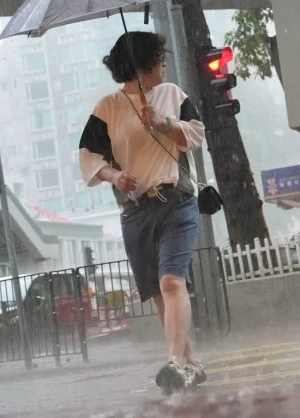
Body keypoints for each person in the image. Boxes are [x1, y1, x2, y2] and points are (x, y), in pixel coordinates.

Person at [78, 31, 207, 392]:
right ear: (142, 64)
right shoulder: (108, 108)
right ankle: (191, 364)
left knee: (171, 281)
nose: (164, 64)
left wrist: (165, 123)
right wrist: (114, 175)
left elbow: (196, 134)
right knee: (158, 292)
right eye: (159, 58)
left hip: (176, 201)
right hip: (135, 211)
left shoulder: (172, 95)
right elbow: (88, 157)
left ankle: (175, 362)